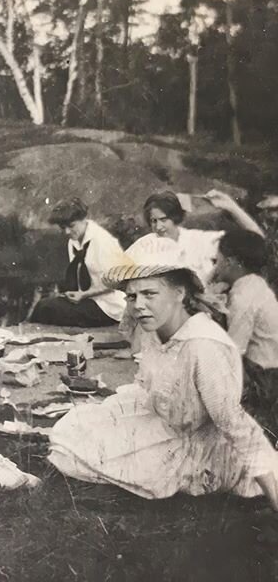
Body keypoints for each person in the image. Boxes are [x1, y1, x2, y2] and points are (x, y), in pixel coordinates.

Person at [48, 237, 278, 509]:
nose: (138, 306)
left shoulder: (203, 345)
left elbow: (235, 424)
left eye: (149, 294)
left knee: (75, 454)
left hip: (197, 452)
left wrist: (274, 495)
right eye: (132, 297)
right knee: (70, 429)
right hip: (167, 424)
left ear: (179, 293)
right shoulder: (156, 332)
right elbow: (151, 385)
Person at [117, 189, 264, 357]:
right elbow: (119, 269)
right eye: (153, 221)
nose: (158, 227)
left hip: (199, 308)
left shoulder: (198, 240)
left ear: (176, 218)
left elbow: (255, 241)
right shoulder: (146, 244)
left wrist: (231, 207)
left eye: (164, 220)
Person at [212, 229, 278, 437]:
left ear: (231, 262)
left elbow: (233, 350)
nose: (215, 266)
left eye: (218, 260)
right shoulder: (254, 284)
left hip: (265, 377)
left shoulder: (244, 297)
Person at [30, 197, 126, 327]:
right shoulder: (74, 242)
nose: (67, 232)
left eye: (71, 226)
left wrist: (84, 294)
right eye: (63, 228)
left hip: (109, 307)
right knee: (44, 305)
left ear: (83, 219)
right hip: (88, 300)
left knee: (47, 309)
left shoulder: (102, 242)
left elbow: (117, 281)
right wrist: (76, 294)